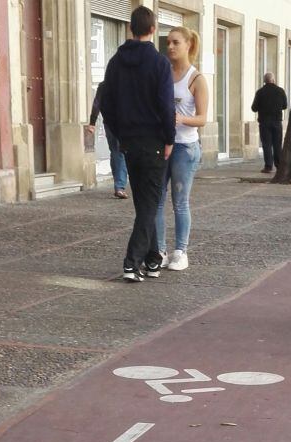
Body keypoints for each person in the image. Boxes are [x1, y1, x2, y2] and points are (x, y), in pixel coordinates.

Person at [101, 6, 175, 283]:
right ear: (154, 29)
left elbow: (106, 102)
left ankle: (153, 259)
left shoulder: (115, 62)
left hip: (130, 141)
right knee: (149, 204)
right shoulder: (159, 64)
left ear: (130, 28)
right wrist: (169, 138)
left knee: (145, 201)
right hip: (154, 140)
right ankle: (131, 263)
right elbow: (166, 106)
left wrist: (120, 132)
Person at [155, 26, 208, 272]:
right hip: (162, 143)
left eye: (176, 42)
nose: (170, 47)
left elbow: (202, 118)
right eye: (168, 42)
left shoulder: (196, 79)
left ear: (188, 44)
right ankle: (159, 250)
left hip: (185, 147)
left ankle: (180, 251)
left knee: (180, 202)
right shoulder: (163, 72)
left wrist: (180, 119)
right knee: (156, 200)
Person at [88, 81, 128, 199]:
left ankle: (120, 186)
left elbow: (97, 104)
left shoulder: (104, 85)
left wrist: (92, 123)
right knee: (121, 152)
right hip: (125, 124)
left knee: (117, 152)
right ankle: (121, 185)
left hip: (112, 124)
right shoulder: (126, 83)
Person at [251, 72, 288, 173]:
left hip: (264, 122)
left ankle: (268, 166)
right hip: (277, 121)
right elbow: (285, 105)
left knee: (266, 144)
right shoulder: (280, 91)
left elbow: (254, 108)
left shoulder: (260, 92)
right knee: (277, 144)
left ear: (264, 81)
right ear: (274, 80)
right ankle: (279, 165)